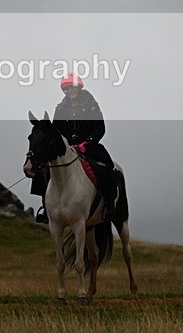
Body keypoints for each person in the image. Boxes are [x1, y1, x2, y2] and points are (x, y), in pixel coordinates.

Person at [30, 73, 118, 223]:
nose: (70, 91)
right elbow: (55, 132)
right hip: (67, 149)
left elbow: (100, 128)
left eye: (73, 88)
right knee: (43, 170)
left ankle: (109, 206)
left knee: (107, 169)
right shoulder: (60, 108)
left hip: (89, 147)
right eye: (67, 88)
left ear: (79, 88)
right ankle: (46, 207)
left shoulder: (92, 105)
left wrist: (87, 143)